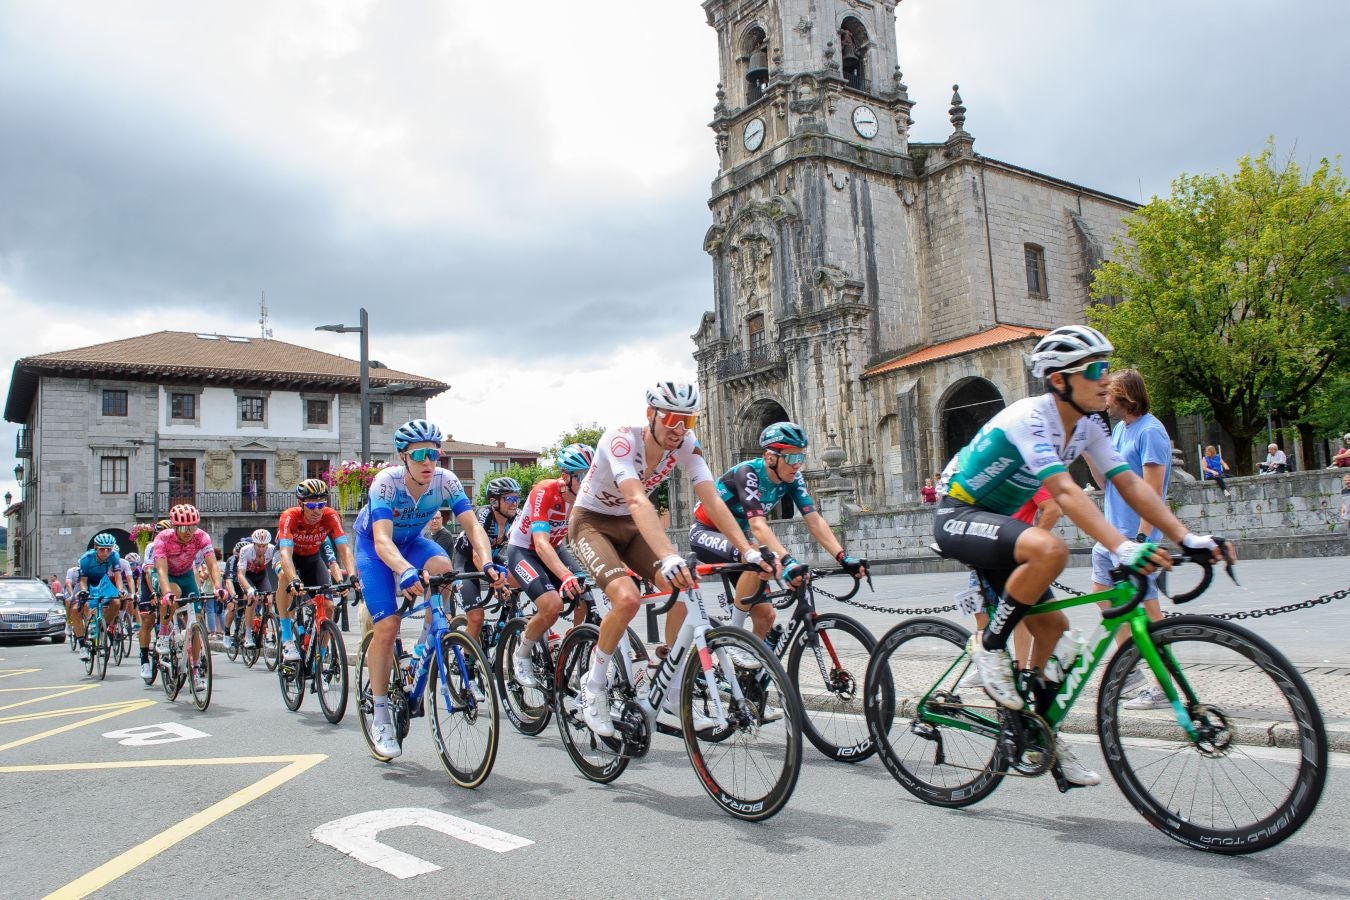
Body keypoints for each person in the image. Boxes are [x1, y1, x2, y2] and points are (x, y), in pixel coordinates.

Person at [933, 324, 1231, 788]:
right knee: (1049, 549)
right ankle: (990, 650)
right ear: (1059, 380)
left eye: (1107, 369)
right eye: (1094, 370)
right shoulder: (1030, 418)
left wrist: (1186, 537)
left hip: (1002, 526)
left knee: (1055, 629)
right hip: (960, 513)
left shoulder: (1090, 426)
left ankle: (1038, 733)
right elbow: (1065, 491)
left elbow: (1129, 482)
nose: (1106, 380)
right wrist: (1124, 545)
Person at [569, 381, 773, 737]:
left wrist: (747, 549)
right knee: (628, 598)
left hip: (631, 526)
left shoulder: (686, 446)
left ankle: (671, 690)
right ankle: (594, 683)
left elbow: (712, 499)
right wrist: (668, 555)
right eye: (673, 420)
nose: (679, 430)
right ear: (651, 415)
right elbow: (635, 499)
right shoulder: (620, 440)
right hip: (591, 523)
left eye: (688, 422)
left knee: (683, 586)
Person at [355, 419, 506, 760]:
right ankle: (380, 716)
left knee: (444, 570)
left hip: (411, 542)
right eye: (420, 455)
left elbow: (473, 528)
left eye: (434, 455)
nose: (428, 463)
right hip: (376, 549)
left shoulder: (446, 480)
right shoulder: (386, 483)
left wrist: (487, 563)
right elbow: (381, 540)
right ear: (403, 457)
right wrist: (405, 571)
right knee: (388, 626)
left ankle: (428, 638)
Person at [688, 421, 867, 666]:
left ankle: (745, 681)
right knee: (759, 558)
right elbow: (758, 526)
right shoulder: (748, 472)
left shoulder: (793, 478)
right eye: (791, 457)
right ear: (771, 457)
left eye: (801, 456)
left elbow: (815, 521)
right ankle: (733, 635)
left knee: (766, 617)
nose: (797, 464)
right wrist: (787, 559)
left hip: (739, 541)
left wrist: (843, 557)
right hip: (706, 532)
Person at [1083, 368, 1173, 709]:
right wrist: (1090, 452)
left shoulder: (1151, 433)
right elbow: (1108, 484)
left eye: (1110, 397)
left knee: (1150, 613)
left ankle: (1163, 684)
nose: (1104, 402)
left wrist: (1142, 539)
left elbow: (1152, 492)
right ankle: (1130, 666)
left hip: (1135, 537)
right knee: (1102, 594)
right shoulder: (1121, 430)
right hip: (1112, 536)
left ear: (1126, 399)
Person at [505, 443, 594, 688]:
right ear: (567, 476)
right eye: (584, 476)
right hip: (524, 549)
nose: (589, 482)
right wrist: (565, 575)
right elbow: (541, 543)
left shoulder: (584, 499)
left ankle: (575, 651)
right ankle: (522, 653)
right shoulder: (544, 491)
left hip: (555, 548)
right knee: (552, 605)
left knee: (585, 597)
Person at [276, 479, 357, 661]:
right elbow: (285, 555)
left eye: (321, 504)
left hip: (312, 558)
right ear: (301, 504)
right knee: (284, 577)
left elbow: (344, 550)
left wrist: (352, 575)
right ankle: (287, 638)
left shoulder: (331, 515)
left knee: (329, 607)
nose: (317, 510)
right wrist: (294, 579)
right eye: (312, 505)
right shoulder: (290, 516)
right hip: (290, 557)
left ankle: (320, 654)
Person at [151, 505, 228, 669]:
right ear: (175, 527)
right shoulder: (163, 538)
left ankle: (196, 667)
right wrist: (166, 593)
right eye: (184, 527)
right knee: (174, 593)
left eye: (193, 526)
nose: (188, 531)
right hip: (167, 575)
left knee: (196, 622)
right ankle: (163, 632)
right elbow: (161, 570)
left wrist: (217, 587)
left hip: (186, 575)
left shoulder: (201, 536)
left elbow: (212, 564)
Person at [451, 476, 520, 645]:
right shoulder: (484, 515)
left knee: (518, 578)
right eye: (509, 498)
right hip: (466, 562)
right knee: (476, 617)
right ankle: (468, 661)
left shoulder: (515, 518)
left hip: (494, 557)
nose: (514, 503)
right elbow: (476, 555)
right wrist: (495, 579)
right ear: (494, 501)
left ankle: (505, 622)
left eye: (517, 498)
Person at [74, 533, 126, 662]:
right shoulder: (86, 558)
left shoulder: (114, 556)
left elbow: (118, 575)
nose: (106, 552)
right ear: (96, 548)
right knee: (76, 609)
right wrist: (84, 592)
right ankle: (82, 645)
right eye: (102, 549)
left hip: (102, 581)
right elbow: (83, 580)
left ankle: (104, 628)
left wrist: (120, 590)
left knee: (116, 601)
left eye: (108, 549)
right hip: (87, 583)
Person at [229, 529, 276, 650]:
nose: (261, 549)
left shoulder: (272, 549)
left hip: (261, 576)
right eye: (259, 546)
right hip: (247, 576)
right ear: (253, 543)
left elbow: (278, 567)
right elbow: (240, 574)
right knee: (252, 599)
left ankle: (267, 631)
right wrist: (249, 589)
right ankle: (248, 635)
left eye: (264, 546)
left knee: (269, 600)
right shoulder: (246, 550)